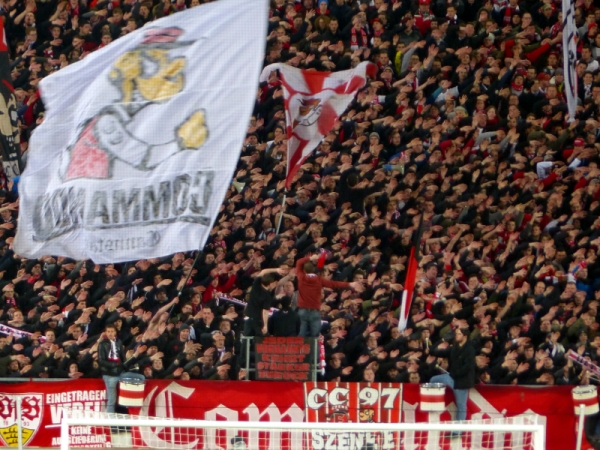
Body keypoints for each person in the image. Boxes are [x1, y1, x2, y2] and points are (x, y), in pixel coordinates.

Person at [296, 254, 364, 337]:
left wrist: (310, 258)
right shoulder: (319, 280)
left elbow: (298, 262)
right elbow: (334, 284)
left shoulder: (301, 277)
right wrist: (350, 284)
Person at [430, 328, 475, 429]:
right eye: (456, 334)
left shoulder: (470, 349)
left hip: (462, 381)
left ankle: (457, 431)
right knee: (433, 379)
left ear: (465, 336)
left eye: (459, 334)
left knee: (461, 406)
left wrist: (456, 374)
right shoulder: (454, 347)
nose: (456, 335)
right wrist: (441, 341)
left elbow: (468, 366)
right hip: (451, 377)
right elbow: (435, 352)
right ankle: (434, 403)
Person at [98, 324, 145, 413]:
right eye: (108, 331)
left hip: (120, 373)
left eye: (112, 331)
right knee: (112, 400)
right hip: (109, 375)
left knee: (141, 377)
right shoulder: (102, 344)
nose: (110, 333)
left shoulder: (119, 342)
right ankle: (110, 420)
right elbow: (101, 361)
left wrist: (128, 364)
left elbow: (123, 359)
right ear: (106, 333)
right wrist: (115, 365)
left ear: (115, 332)